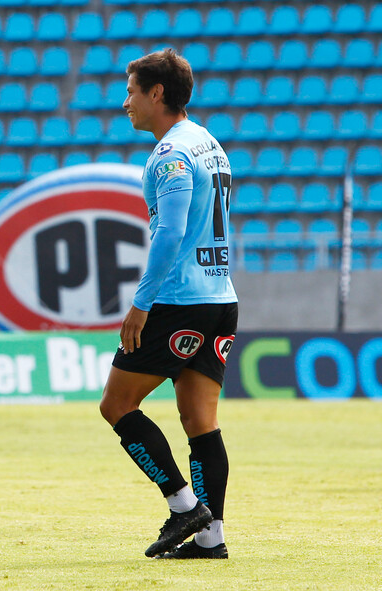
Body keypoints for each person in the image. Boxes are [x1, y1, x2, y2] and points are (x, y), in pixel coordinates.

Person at [99, 49, 238, 559]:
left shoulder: (171, 155)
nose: (124, 103)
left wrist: (141, 303)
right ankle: (211, 537)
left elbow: (171, 231)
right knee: (200, 420)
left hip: (180, 301)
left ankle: (184, 505)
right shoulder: (210, 145)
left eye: (132, 91)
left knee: (116, 404)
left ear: (157, 93)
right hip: (221, 296)